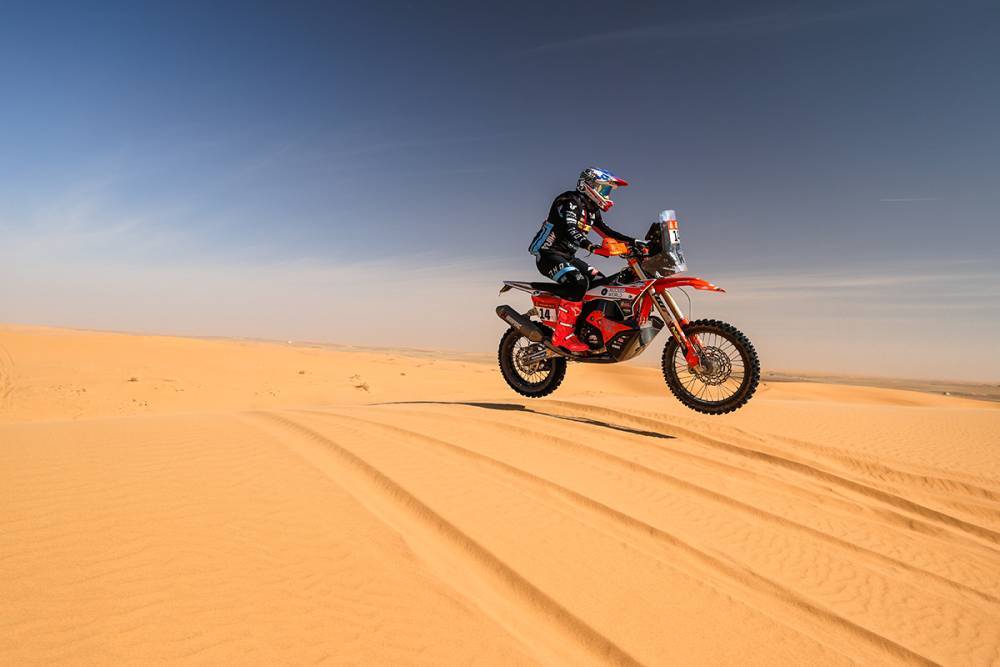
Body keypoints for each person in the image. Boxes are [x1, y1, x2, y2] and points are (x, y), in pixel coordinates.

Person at [528, 167, 645, 353]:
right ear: (588, 185)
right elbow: (570, 229)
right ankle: (563, 336)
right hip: (548, 254)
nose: (606, 195)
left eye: (607, 191)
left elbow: (606, 231)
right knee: (578, 282)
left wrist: (635, 241)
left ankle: (587, 330)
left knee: (600, 282)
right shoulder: (569, 201)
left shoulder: (592, 210)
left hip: (567, 256)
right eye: (604, 189)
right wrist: (591, 246)